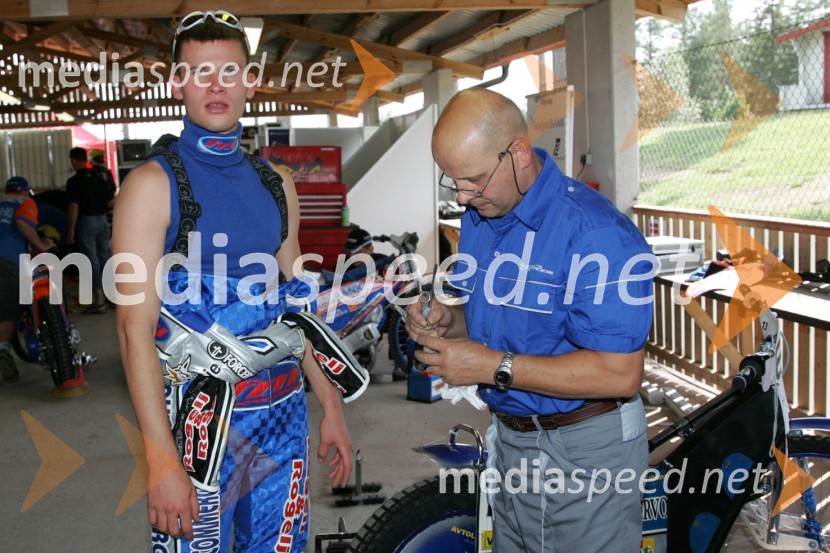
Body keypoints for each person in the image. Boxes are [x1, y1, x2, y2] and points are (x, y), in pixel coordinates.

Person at [112, 10, 352, 553]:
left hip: (284, 418)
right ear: (177, 83)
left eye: (228, 71)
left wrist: (331, 406)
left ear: (250, 81)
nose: (216, 85)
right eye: (200, 72)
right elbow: (133, 330)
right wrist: (161, 461)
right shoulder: (150, 185)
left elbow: (298, 311)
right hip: (199, 430)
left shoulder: (277, 184)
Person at [406, 89, 655, 551]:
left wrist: (489, 367)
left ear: (519, 152)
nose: (462, 196)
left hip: (584, 450)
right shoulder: (481, 216)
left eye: (473, 180)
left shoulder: (596, 234)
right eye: (452, 182)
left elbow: (619, 373)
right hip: (511, 439)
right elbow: (506, 323)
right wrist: (448, 322)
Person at [0, 177, 54, 383]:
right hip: (6, 261)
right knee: (9, 309)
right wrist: (41, 244)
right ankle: (3, 348)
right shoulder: (24, 202)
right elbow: (23, 222)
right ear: (25, 191)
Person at [67, 146, 114, 314]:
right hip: (103, 221)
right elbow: (111, 200)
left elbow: (74, 207)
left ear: (74, 161)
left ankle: (99, 301)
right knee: (105, 258)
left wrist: (71, 230)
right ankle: (111, 296)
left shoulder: (74, 181)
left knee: (91, 261)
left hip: (87, 222)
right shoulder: (98, 177)